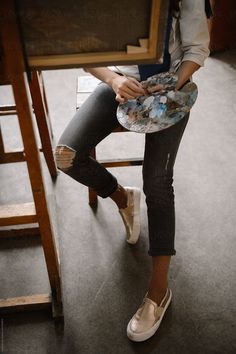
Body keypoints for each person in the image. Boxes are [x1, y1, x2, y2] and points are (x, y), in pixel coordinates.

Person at [55, 0, 210, 342]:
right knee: (66, 155)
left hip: (169, 85)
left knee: (157, 183)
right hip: (120, 83)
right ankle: (123, 197)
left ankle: (159, 291)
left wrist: (171, 85)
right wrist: (112, 79)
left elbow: (197, 49)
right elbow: (83, 47)